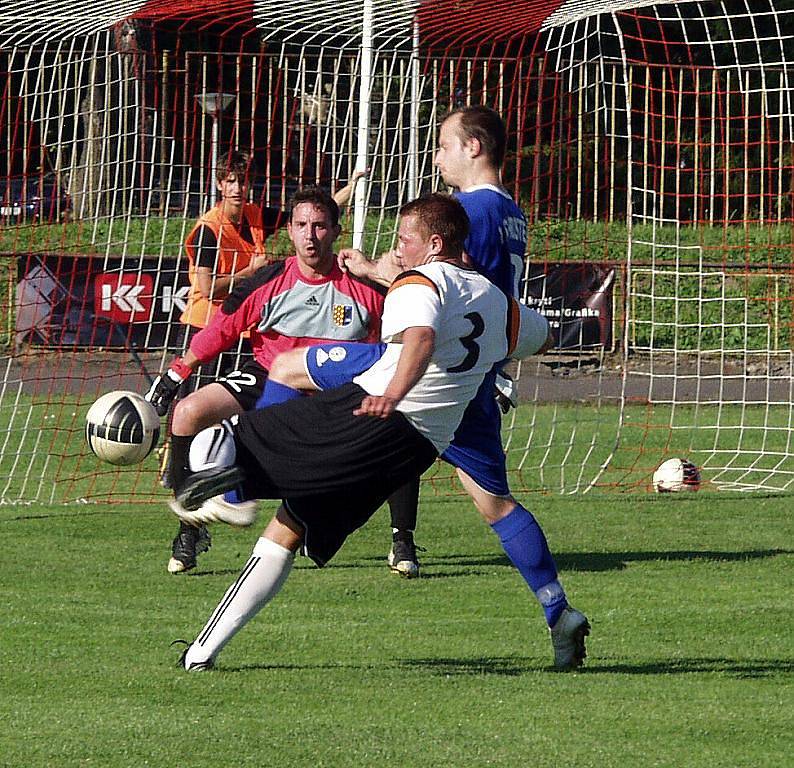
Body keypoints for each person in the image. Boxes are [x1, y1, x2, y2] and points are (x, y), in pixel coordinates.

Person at [168, 193, 554, 672]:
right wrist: (497, 368)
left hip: (371, 414)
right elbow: (543, 334)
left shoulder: (420, 281)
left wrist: (393, 392)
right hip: (412, 452)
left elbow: (422, 337)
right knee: (287, 528)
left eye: (404, 240)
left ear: (434, 244)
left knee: (229, 425)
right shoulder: (498, 302)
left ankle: (226, 491)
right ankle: (202, 652)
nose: (398, 249)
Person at [272, 106, 590, 669]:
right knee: (494, 501)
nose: (436, 156)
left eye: (443, 145)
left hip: (437, 375)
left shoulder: (470, 211)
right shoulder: (510, 212)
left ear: (473, 148)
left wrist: (374, 270)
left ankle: (239, 485)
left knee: (299, 381)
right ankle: (557, 610)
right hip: (474, 370)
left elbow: (446, 295)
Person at [146, 186, 385, 573]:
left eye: (320, 226)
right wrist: (178, 372)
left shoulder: (366, 288)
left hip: (331, 387)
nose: (310, 235)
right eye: (302, 225)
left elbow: (404, 335)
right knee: (188, 412)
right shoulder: (269, 280)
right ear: (289, 230)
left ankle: (401, 540)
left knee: (393, 427)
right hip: (268, 374)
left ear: (336, 232)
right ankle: (190, 526)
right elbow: (222, 329)